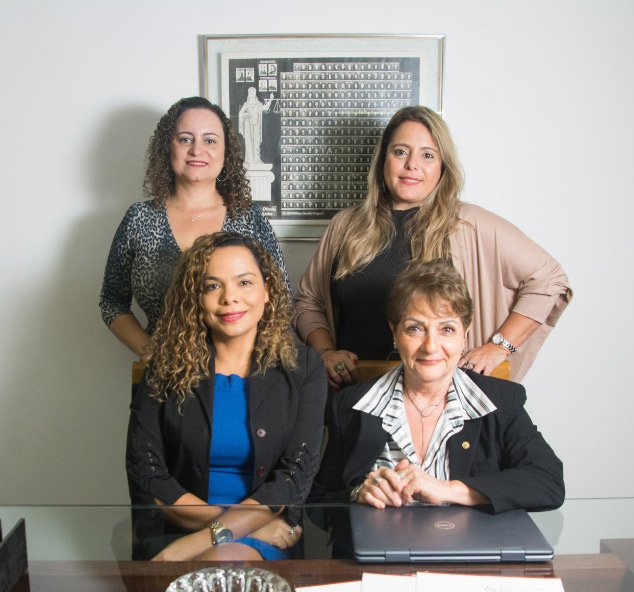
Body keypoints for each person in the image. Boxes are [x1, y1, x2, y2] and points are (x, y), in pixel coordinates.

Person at [293, 106, 572, 386]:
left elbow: (549, 279)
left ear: (443, 167)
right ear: (383, 159)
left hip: (446, 398)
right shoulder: (346, 225)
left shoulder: (469, 224)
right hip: (357, 395)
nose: (412, 165)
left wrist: (500, 346)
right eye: (400, 152)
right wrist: (326, 352)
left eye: (427, 155)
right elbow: (308, 301)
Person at [309, 260, 564, 553]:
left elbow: (548, 482)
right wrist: (357, 493)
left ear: (465, 333)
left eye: (447, 329)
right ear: (394, 332)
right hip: (381, 565)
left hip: (472, 561)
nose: (431, 346)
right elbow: (317, 503)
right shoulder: (351, 406)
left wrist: (447, 490)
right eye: (415, 328)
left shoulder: (500, 402)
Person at [126, 232, 327, 561]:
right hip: (180, 530)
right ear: (195, 297)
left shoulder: (304, 367)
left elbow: (294, 476)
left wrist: (210, 541)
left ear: (267, 290)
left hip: (263, 539)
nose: (230, 298)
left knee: (226, 563)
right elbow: (147, 475)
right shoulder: (164, 366)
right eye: (212, 286)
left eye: (244, 282)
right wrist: (233, 529)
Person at [100, 96, 287, 361]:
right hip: (165, 376)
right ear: (168, 147)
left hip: (241, 374)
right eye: (185, 139)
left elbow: (281, 298)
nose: (197, 150)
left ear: (226, 151)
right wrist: (151, 352)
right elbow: (112, 301)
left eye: (210, 140)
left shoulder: (249, 218)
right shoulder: (139, 219)